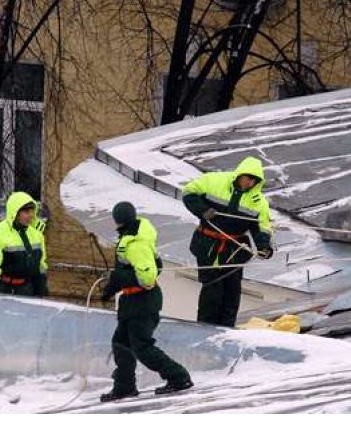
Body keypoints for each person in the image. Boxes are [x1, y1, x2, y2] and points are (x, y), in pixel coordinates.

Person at [99, 201, 193, 402]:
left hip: (142, 301)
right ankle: (125, 387)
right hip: (131, 301)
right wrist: (112, 287)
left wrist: (117, 278)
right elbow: (155, 266)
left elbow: (147, 278)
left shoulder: (135, 243)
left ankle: (178, 377)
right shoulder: (134, 236)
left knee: (141, 346)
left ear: (117, 220)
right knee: (121, 344)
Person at [182, 156, 274, 327]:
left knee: (232, 294)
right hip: (208, 245)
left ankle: (226, 332)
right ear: (240, 174)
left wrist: (264, 246)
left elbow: (262, 227)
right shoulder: (214, 181)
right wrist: (203, 211)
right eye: (248, 178)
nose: (251, 183)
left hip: (234, 250)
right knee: (213, 292)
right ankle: (205, 330)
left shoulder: (258, 203)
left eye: (255, 180)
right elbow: (188, 192)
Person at [0, 191, 48, 297]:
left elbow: (40, 269)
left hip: (28, 292)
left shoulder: (37, 235)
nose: (30, 215)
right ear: (15, 213)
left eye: (32, 211)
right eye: (26, 212)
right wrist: (2, 301)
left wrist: (40, 293)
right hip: (6, 293)